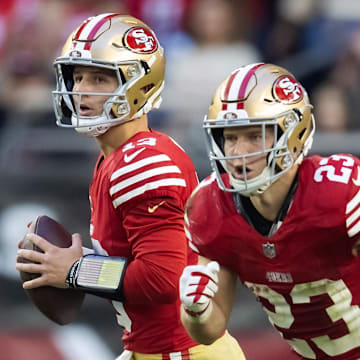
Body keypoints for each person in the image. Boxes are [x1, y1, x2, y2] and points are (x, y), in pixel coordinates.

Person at [15, 13, 245, 360]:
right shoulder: (119, 156)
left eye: (98, 79)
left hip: (181, 352)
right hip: (157, 348)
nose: (80, 90)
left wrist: (75, 270)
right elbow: (143, 261)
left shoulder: (141, 162)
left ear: (138, 84)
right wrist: (74, 260)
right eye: (77, 77)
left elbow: (162, 278)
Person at [179, 62, 360, 359]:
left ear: (292, 135)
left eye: (254, 136)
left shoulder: (339, 191)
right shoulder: (209, 206)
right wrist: (196, 310)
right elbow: (210, 330)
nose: (238, 152)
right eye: (230, 137)